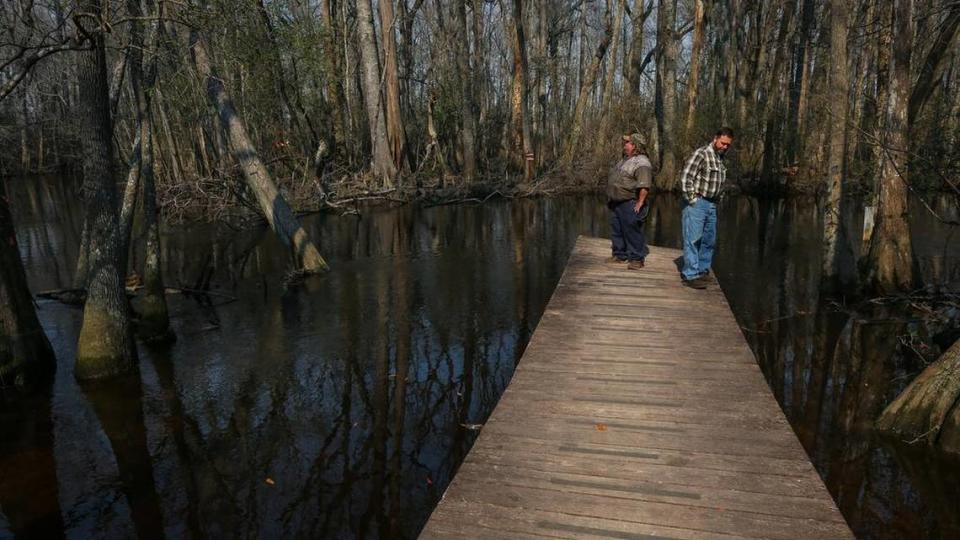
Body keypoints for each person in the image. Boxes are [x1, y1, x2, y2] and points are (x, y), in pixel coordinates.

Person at [679, 127, 734, 289]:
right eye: (723, 143)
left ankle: (703, 270)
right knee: (693, 239)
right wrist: (692, 199)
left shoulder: (720, 158)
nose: (725, 147)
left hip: (711, 204)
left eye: (728, 145)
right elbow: (685, 177)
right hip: (698, 202)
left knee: (709, 240)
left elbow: (719, 183)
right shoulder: (701, 153)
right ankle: (690, 274)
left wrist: (718, 200)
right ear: (715, 138)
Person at [606, 133, 653, 270]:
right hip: (617, 202)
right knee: (617, 229)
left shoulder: (642, 162)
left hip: (630, 202)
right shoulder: (625, 160)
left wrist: (640, 202)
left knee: (632, 231)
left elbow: (644, 185)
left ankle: (637, 258)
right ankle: (620, 254)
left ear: (635, 146)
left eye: (628, 143)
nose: (625, 145)